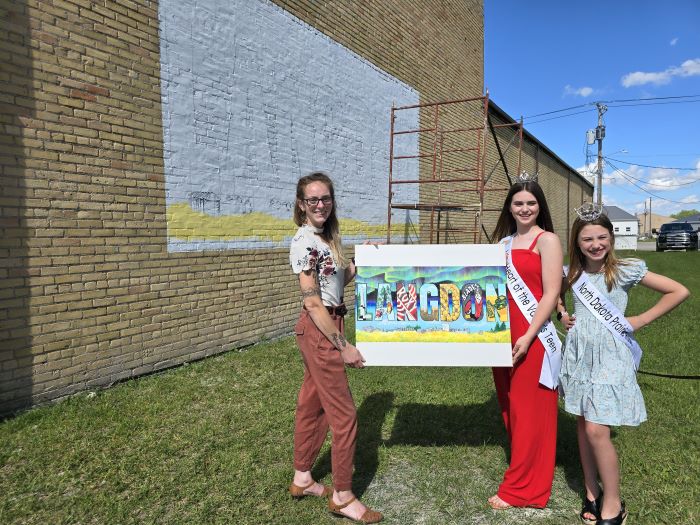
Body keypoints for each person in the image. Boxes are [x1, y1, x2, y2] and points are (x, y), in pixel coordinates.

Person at [557, 206, 689, 525]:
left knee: (596, 428)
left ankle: (613, 501)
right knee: (583, 419)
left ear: (611, 238)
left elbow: (678, 291)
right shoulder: (571, 273)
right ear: (576, 242)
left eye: (602, 236)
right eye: (587, 238)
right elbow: (556, 296)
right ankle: (591, 492)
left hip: (611, 354)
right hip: (580, 354)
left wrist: (639, 320)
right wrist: (562, 314)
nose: (595, 244)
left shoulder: (626, 269)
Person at [288, 172, 383, 524]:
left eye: (325, 198)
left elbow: (336, 281)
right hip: (321, 329)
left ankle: (303, 478)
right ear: (301, 204)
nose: (320, 205)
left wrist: (365, 261)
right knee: (344, 417)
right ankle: (343, 496)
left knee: (311, 406)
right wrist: (343, 346)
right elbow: (313, 302)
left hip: (326, 324)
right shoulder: (304, 241)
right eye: (312, 200)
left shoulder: (325, 239)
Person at [488, 175, 563, 509]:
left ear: (539, 206)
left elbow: (551, 294)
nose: (524, 208)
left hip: (531, 336)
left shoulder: (547, 241)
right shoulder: (501, 244)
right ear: (510, 206)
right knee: (511, 408)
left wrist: (529, 335)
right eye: (518, 203)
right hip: (501, 335)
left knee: (529, 409)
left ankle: (521, 489)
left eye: (531, 203)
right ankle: (526, 466)